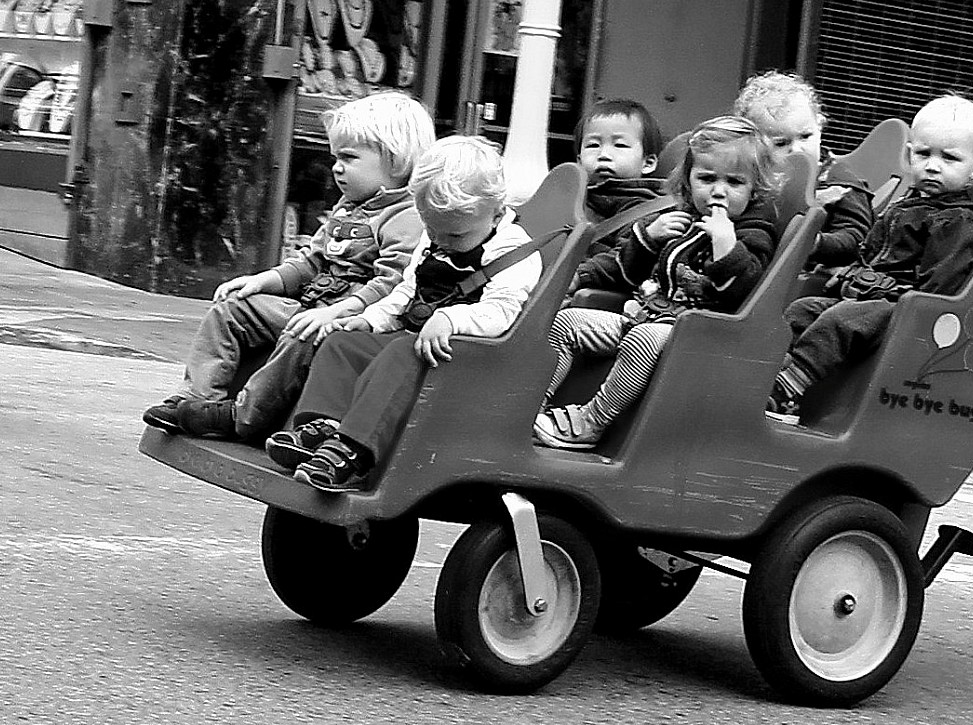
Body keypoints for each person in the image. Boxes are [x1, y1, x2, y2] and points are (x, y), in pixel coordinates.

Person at [143, 91, 434, 441]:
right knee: (232, 308)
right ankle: (198, 398)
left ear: (395, 160)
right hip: (312, 303)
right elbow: (312, 261)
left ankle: (246, 417)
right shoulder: (349, 206)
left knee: (302, 331)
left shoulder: (406, 216)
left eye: (349, 157)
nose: (337, 167)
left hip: (349, 317)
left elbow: (392, 284)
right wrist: (264, 280)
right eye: (334, 157)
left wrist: (336, 313)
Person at [265, 136, 544, 493]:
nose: (441, 242)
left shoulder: (514, 252)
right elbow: (406, 292)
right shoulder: (436, 238)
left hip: (464, 359)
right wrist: (371, 320)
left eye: (455, 235)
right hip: (419, 345)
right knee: (342, 343)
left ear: (496, 209)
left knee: (402, 351)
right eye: (432, 230)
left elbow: (502, 313)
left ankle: (352, 451)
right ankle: (322, 427)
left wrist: (451, 319)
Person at [534, 115, 782, 450]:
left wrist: (726, 246)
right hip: (642, 317)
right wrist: (647, 238)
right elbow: (623, 269)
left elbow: (745, 292)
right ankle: (530, 402)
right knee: (568, 322)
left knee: (646, 338)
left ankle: (592, 422)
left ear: (754, 190)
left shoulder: (753, 232)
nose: (718, 191)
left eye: (734, 182)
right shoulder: (679, 220)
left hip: (698, 338)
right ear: (688, 181)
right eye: (706, 178)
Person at [764, 93, 973, 423]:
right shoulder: (909, 203)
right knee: (801, 310)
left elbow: (937, 290)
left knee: (840, 320)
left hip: (907, 315)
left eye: (949, 158)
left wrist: (876, 289)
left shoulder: (958, 219)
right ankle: (762, 376)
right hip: (872, 300)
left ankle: (787, 390)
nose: (933, 166)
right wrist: (850, 273)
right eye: (923, 153)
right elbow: (872, 255)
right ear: (908, 154)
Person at [735, 70, 875, 272]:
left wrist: (816, 242)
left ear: (820, 127)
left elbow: (857, 238)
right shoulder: (751, 180)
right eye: (781, 143)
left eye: (805, 136)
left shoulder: (839, 181)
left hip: (809, 280)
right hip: (752, 269)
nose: (797, 149)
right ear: (752, 144)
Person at [575, 97, 669, 220]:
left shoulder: (645, 205)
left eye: (620, 145)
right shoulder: (571, 198)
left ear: (648, 163)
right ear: (579, 161)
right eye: (593, 145)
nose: (603, 155)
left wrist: (647, 233)